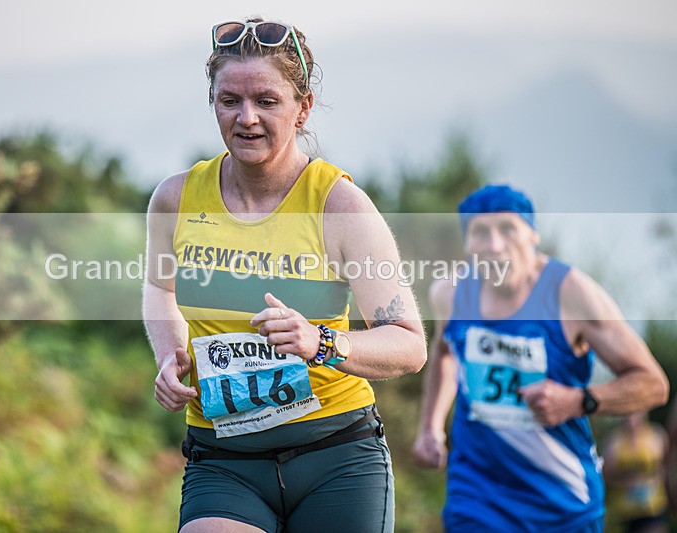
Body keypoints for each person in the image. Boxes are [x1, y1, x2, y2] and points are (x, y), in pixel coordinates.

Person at [143, 18, 427, 533]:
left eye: (267, 101)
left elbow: (409, 346)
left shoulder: (340, 207)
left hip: (336, 455)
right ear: (213, 103)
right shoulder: (175, 199)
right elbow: (160, 288)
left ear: (303, 108)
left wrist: (321, 341)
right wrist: (170, 353)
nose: (246, 118)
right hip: (223, 456)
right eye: (229, 100)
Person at [411, 184, 670, 533]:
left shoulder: (572, 295)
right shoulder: (451, 294)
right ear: (468, 244)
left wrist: (578, 401)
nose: (495, 245)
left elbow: (653, 384)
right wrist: (431, 428)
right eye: (480, 233)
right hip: (477, 494)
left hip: (562, 499)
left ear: (532, 234)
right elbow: (445, 353)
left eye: (507, 229)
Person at [603, 411, 669, 533]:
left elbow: (665, 465)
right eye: (627, 416)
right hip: (624, 512)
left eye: (634, 415)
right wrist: (626, 480)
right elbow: (606, 476)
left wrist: (655, 477)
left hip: (653, 508)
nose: (630, 420)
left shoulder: (656, 434)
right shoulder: (613, 441)